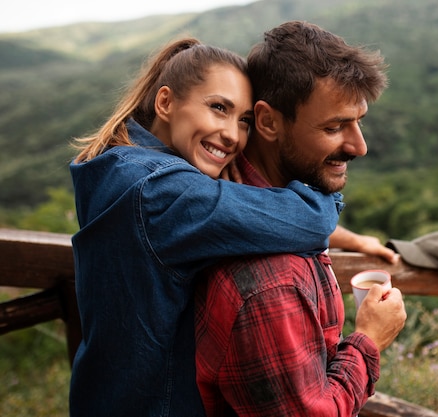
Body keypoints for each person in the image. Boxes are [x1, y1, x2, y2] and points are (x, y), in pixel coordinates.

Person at [68, 38, 346, 417]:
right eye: (219, 108)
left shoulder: (119, 168)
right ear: (165, 103)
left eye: (244, 121)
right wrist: (328, 195)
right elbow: (310, 219)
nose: (233, 135)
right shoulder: (160, 193)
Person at [194, 21, 407, 416]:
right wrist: (369, 339)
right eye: (333, 127)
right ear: (269, 121)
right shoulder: (271, 283)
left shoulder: (241, 192)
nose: (359, 146)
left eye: (358, 121)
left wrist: (356, 241)